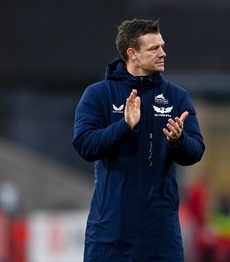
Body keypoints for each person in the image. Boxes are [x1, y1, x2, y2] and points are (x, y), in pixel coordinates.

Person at [72, 18, 205, 261]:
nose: (163, 53)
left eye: (162, 46)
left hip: (161, 234)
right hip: (110, 233)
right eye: (154, 48)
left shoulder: (177, 97)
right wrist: (124, 126)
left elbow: (196, 151)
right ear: (132, 53)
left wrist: (179, 140)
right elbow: (85, 145)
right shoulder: (98, 94)